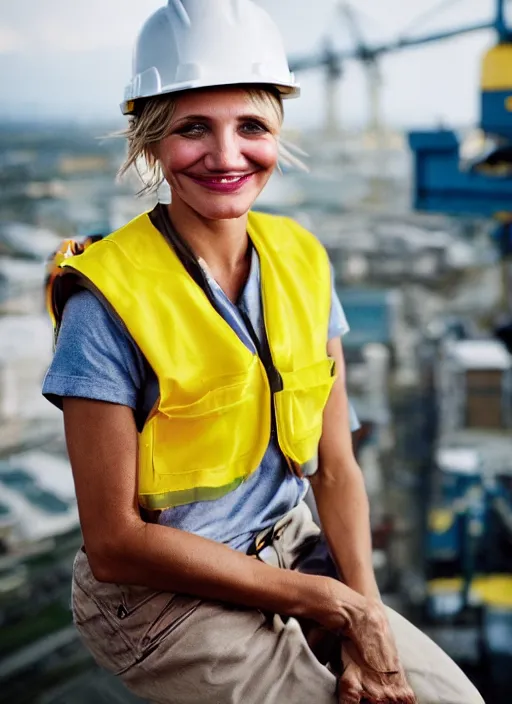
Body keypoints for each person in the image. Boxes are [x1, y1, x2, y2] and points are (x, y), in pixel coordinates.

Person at [42, 2, 485, 703]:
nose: (226, 156)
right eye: (193, 129)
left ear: (278, 131)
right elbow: (115, 543)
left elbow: (335, 468)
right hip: (161, 599)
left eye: (250, 126)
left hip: (290, 548)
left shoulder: (302, 261)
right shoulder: (105, 304)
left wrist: (368, 620)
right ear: (152, 142)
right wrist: (331, 605)